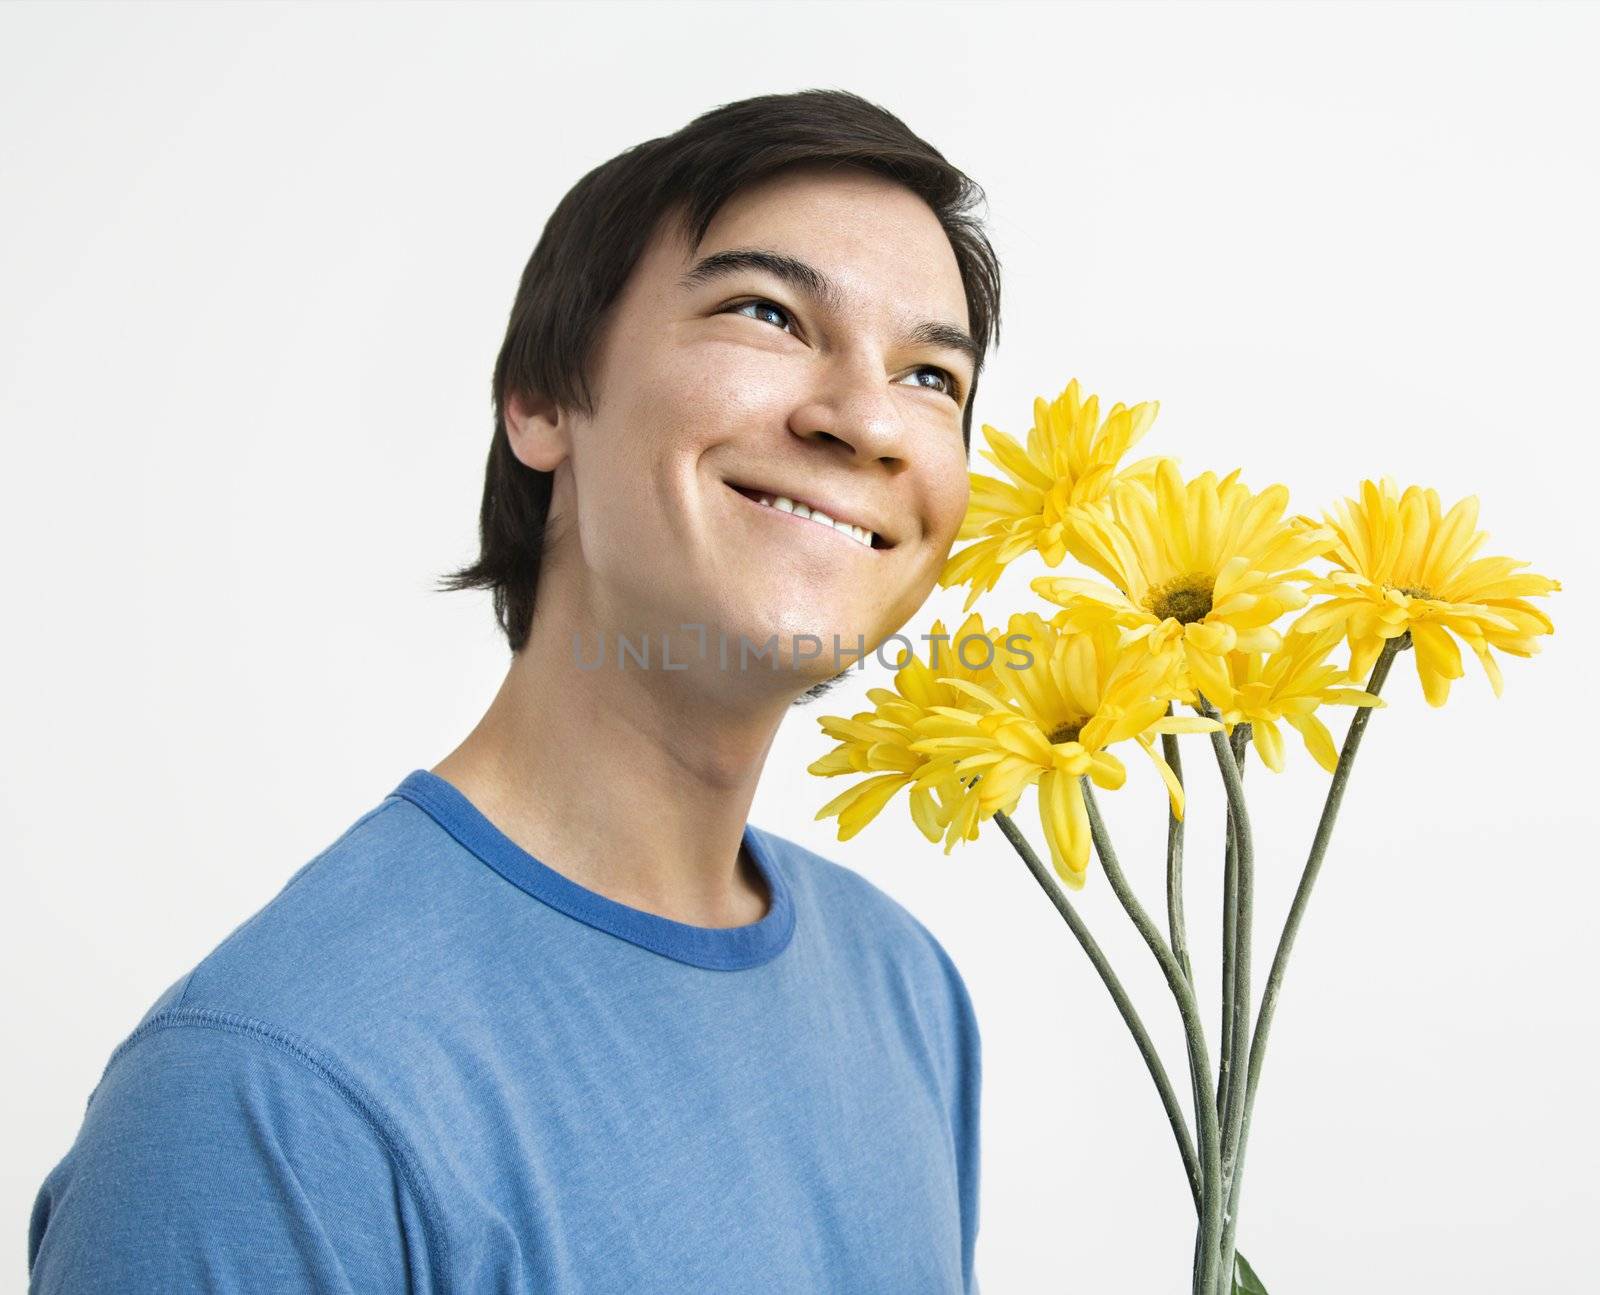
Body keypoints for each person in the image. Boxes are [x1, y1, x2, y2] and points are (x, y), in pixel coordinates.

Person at [27, 87, 1001, 1294]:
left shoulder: (903, 986)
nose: (866, 420)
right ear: (540, 399)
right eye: (767, 312)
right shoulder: (264, 1094)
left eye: (930, 376)